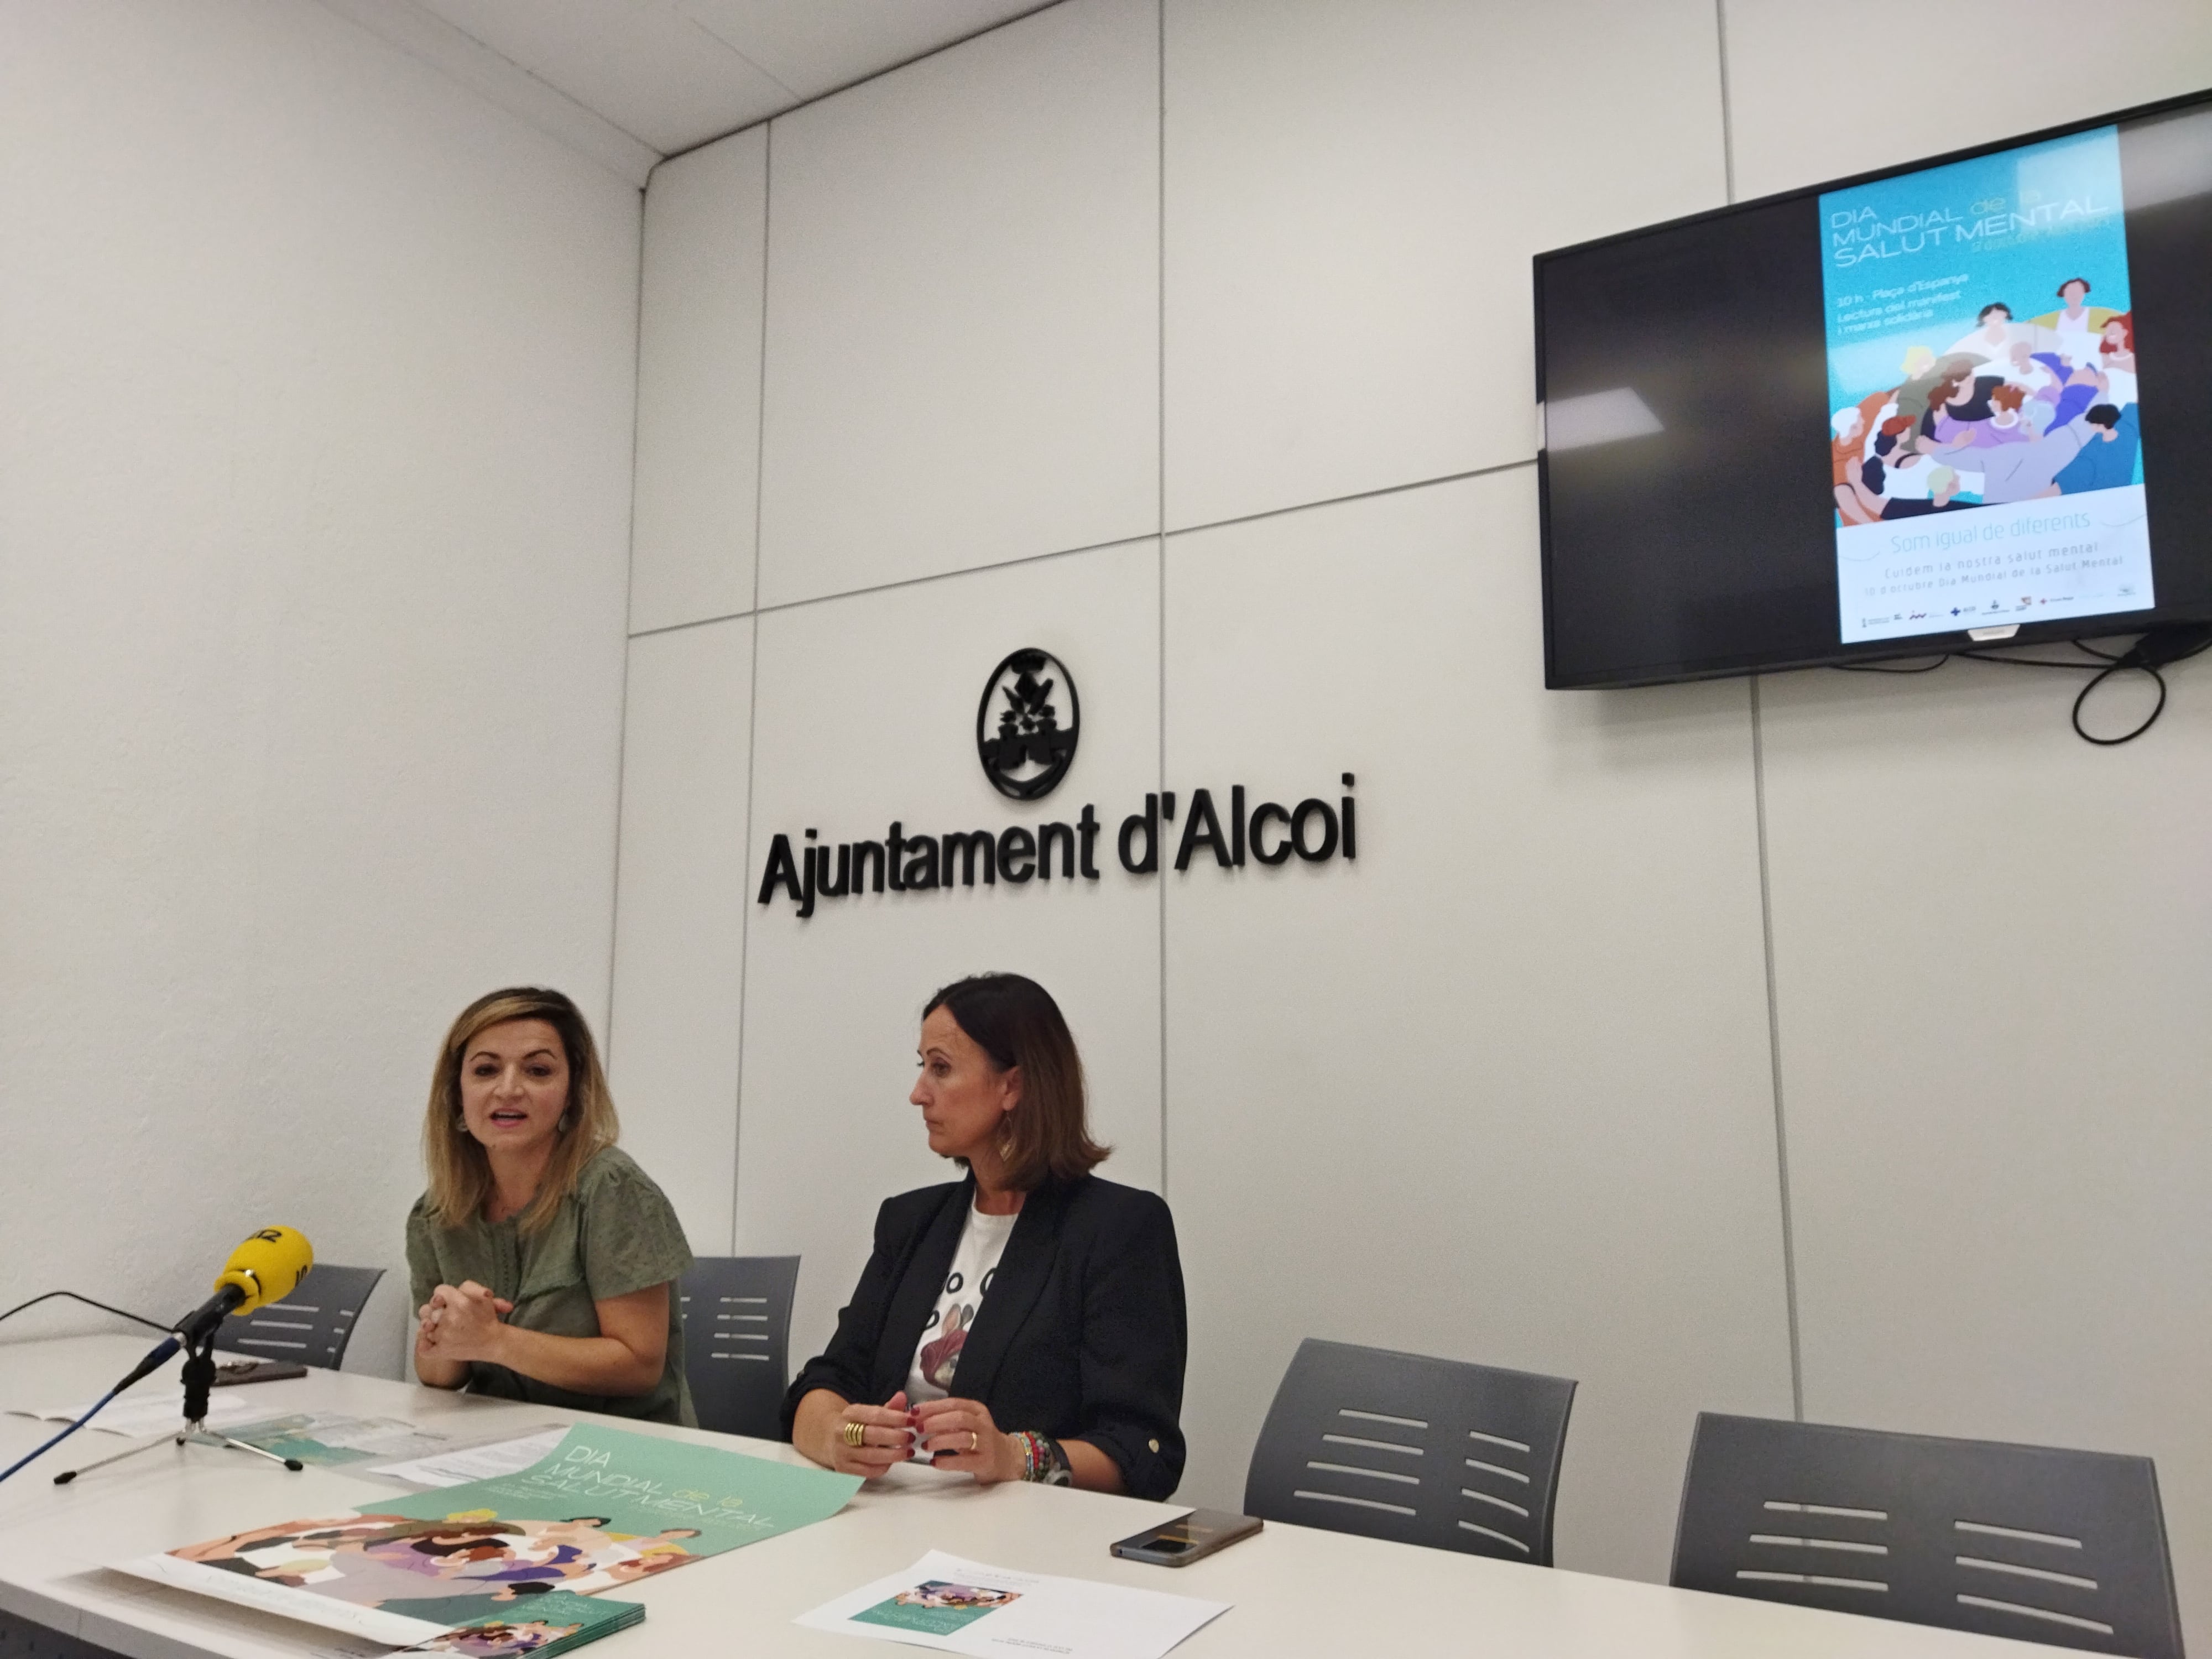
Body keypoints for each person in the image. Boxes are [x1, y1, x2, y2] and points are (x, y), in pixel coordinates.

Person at [784, 973, 1187, 1500]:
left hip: (1025, 1540)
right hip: (886, 1517)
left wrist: (1014, 1455)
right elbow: (821, 1386)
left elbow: (1142, 1451)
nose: (917, 1093)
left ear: (1012, 1086)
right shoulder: (909, 1223)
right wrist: (841, 1438)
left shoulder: (1119, 1228)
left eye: (941, 1068)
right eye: (922, 1066)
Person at [407, 987, 696, 1424]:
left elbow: (639, 1366)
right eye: (485, 1070)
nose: (508, 1089)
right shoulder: (436, 1211)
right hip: (494, 1441)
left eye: (538, 1071)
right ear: (456, 1093)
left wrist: (493, 1340)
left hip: (620, 1454)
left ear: (573, 1092)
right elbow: (437, 1376)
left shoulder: (612, 1188)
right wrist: (447, 1334)